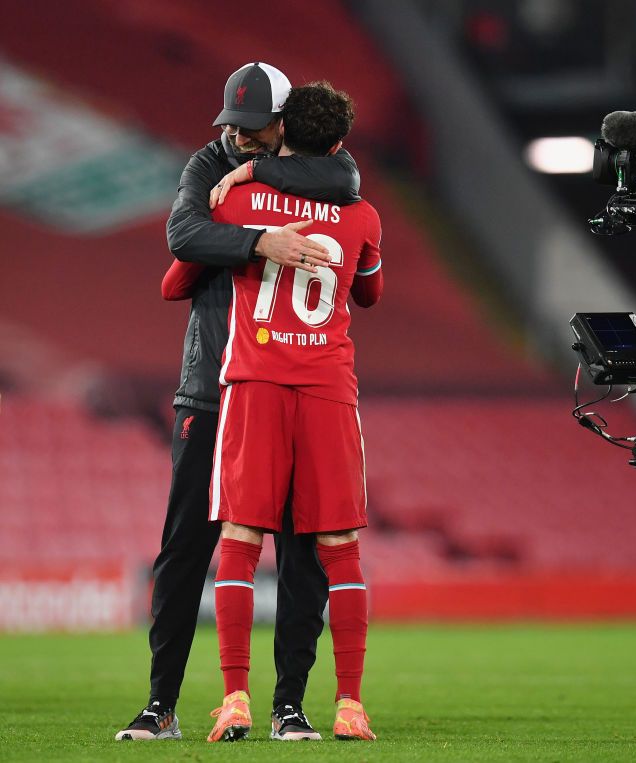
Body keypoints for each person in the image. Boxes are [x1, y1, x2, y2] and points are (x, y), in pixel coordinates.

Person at [116, 62, 362, 742]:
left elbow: (348, 182)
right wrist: (258, 238)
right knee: (185, 545)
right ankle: (160, 703)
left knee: (300, 546)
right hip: (212, 387)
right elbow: (181, 238)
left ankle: (290, 704)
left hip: (283, 383)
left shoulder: (301, 172)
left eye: (254, 132)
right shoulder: (209, 166)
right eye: (234, 128)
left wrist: (255, 184)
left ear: (285, 126)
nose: (239, 141)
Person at [199, 81, 382, 744]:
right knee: (341, 548)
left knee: (242, 541)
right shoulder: (363, 215)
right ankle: (351, 703)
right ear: (336, 144)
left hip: (256, 381)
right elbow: (371, 292)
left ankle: (235, 697)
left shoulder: (240, 198)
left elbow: (183, 264)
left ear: (281, 134)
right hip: (329, 388)